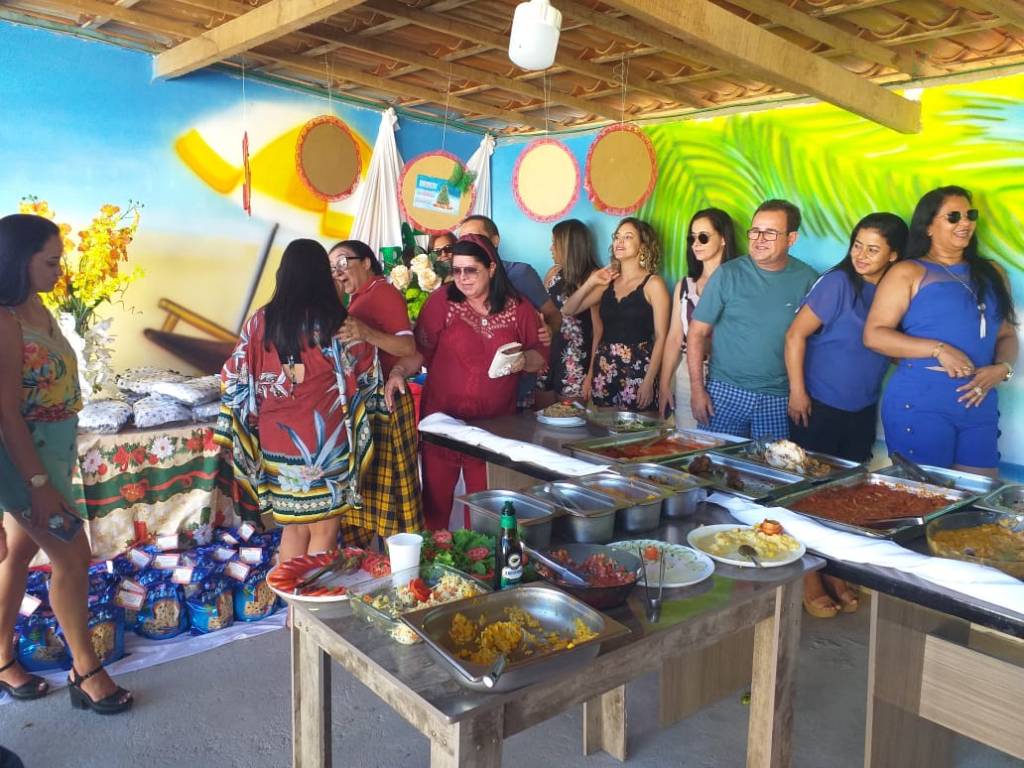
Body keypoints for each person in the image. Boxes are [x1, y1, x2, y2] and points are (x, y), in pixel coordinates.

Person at [0, 213, 132, 713]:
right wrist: (38, 485)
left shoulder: (36, 307)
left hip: (52, 455)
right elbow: (7, 413)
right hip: (26, 463)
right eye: (51, 262)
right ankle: (86, 669)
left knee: (17, 555)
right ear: (19, 261)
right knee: (72, 558)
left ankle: (1, 659)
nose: (61, 271)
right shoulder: (4, 321)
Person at [216, 239, 378, 562]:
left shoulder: (260, 321)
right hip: (324, 441)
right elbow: (365, 374)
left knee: (294, 528)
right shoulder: (335, 322)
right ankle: (313, 594)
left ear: (283, 274)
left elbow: (231, 375)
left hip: (277, 441)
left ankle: (291, 594)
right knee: (324, 529)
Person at [785, 213, 908, 618]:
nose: (861, 255)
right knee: (807, 494)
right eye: (857, 245)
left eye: (873, 249)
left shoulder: (894, 292)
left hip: (861, 408)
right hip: (818, 404)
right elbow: (795, 334)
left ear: (894, 255)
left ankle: (835, 571)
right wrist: (798, 391)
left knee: (846, 497)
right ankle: (809, 576)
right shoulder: (838, 283)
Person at [384, 234, 548, 529]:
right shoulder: (441, 302)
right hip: (443, 424)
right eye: (457, 270)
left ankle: (482, 559)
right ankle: (435, 559)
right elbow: (419, 352)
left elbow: (540, 355)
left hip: (493, 429)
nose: (462, 278)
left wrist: (522, 360)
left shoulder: (519, 308)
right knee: (434, 510)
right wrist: (397, 372)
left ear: (491, 268)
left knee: (486, 515)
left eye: (471, 270)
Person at [864, 186, 1017, 477]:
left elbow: (1006, 334)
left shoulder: (993, 272)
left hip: (979, 401)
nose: (965, 223)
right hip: (921, 399)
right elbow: (874, 335)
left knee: (976, 496)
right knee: (925, 494)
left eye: (970, 215)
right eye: (953, 217)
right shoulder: (908, 272)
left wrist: (1003, 368)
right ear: (929, 227)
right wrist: (938, 349)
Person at [688, 200, 818, 439]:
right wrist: (697, 390)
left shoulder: (808, 280)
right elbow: (697, 333)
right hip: (724, 392)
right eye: (755, 231)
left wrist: (798, 391)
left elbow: (815, 343)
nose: (759, 239)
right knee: (714, 459)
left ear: (791, 239)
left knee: (773, 462)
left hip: (779, 397)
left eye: (770, 233)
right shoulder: (727, 274)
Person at [328, 240, 423, 538]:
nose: (338, 272)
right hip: (370, 406)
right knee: (371, 496)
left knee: (393, 499)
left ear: (367, 262)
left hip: (387, 404)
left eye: (343, 262)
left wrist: (367, 333)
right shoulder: (358, 297)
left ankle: (399, 560)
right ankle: (372, 559)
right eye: (332, 267)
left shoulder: (383, 292)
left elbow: (408, 347)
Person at [562, 217, 671, 410]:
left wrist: (649, 380)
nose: (620, 241)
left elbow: (662, 337)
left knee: (637, 426)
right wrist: (591, 282)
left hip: (639, 368)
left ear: (643, 246)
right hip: (604, 367)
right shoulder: (607, 282)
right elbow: (568, 309)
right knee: (603, 425)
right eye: (617, 237)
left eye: (628, 237)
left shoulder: (654, 284)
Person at [458, 215, 558, 410]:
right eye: (463, 239)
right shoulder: (458, 280)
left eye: (477, 237)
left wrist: (548, 331)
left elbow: (553, 314)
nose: (470, 244)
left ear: (495, 241)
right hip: (473, 389)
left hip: (517, 386)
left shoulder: (520, 274)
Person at [658, 209, 738, 424]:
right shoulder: (684, 286)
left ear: (723, 239)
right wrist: (664, 384)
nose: (696, 244)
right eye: (691, 238)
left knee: (722, 441)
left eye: (703, 237)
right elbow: (674, 338)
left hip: (728, 376)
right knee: (687, 438)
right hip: (686, 374)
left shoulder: (738, 282)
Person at [537, 219, 601, 404]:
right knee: (541, 416)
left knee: (570, 420)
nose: (551, 248)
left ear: (568, 246)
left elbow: (598, 331)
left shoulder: (594, 277)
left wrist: (591, 373)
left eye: (555, 243)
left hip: (576, 362)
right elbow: (541, 315)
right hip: (547, 356)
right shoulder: (553, 273)